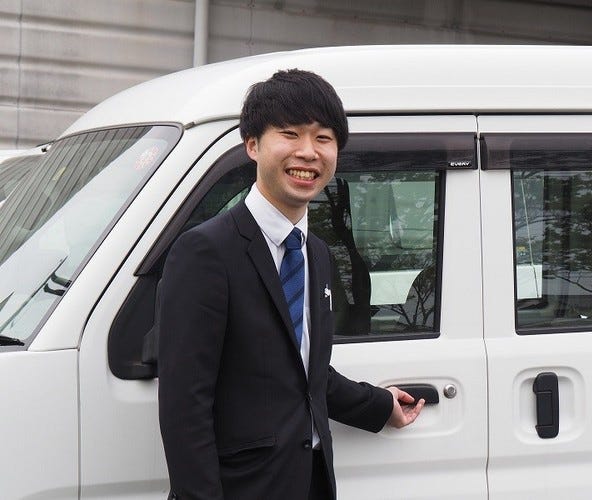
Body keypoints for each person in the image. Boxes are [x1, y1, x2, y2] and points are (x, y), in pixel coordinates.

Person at [157, 69, 424, 500]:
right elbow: (184, 405)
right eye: (290, 134)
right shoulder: (205, 252)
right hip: (243, 488)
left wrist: (379, 405)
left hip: (312, 481)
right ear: (252, 145)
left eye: (323, 138)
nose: (308, 152)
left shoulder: (315, 253)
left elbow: (305, 373)